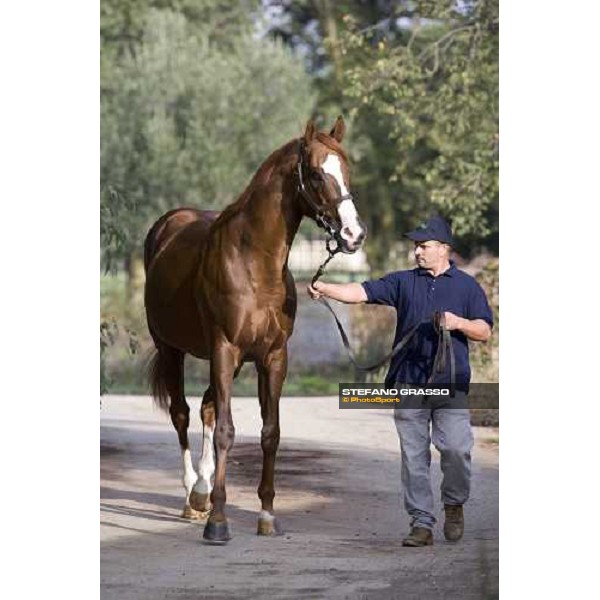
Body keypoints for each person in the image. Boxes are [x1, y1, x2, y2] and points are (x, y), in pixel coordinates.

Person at [307, 215, 493, 547]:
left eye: (423, 246)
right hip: (408, 382)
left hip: (451, 384)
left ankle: (453, 504)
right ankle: (421, 523)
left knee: (455, 450)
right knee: (414, 457)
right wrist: (327, 288)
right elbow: (361, 291)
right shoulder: (403, 282)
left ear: (443, 249)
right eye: (415, 246)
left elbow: (484, 330)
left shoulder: (467, 286)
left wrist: (457, 322)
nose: (417, 252)